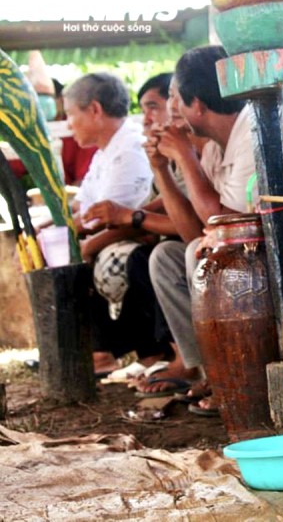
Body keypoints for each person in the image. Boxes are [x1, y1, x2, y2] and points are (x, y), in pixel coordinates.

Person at [134, 46, 256, 412]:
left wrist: (185, 156)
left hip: (262, 258)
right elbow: (191, 231)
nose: (173, 110)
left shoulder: (248, 132)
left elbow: (225, 224)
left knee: (198, 254)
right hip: (237, 251)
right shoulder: (216, 146)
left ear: (198, 105)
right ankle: (207, 368)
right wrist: (161, 170)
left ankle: (232, 380)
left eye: (176, 99)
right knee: (166, 256)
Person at [83, 72, 178, 380]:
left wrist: (130, 217)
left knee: (141, 256)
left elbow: (187, 216)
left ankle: (168, 355)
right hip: (158, 235)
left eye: (154, 106)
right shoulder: (149, 149)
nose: (145, 118)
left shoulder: (133, 147)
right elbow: (158, 202)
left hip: (170, 240)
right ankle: (144, 355)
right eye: (143, 108)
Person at [61, 72, 155, 375]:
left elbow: (116, 219)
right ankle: (93, 351)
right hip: (118, 236)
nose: (68, 123)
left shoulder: (130, 149)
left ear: (95, 110)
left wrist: (85, 242)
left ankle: (121, 353)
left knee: (88, 257)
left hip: (139, 240)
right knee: (66, 250)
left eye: (71, 114)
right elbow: (83, 209)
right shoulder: (105, 152)